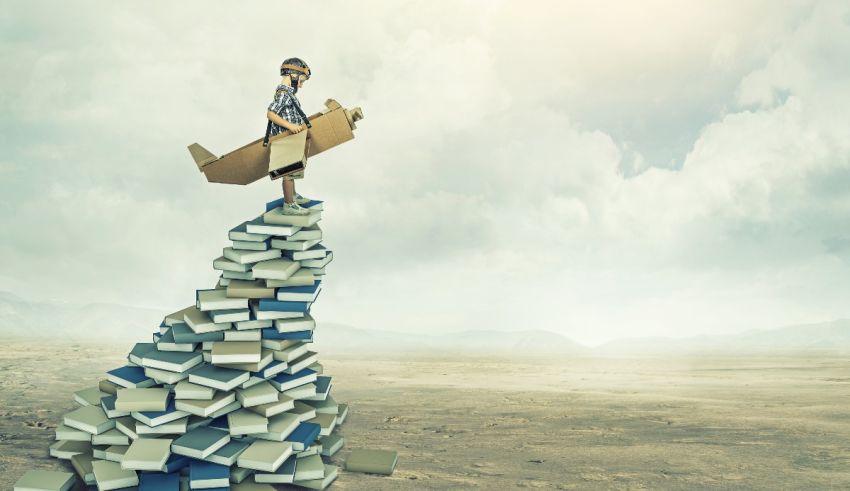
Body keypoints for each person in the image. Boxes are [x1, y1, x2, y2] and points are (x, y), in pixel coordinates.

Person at [266, 57, 313, 215]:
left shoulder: (288, 93)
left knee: (293, 169)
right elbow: (271, 114)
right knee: (288, 173)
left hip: (291, 140)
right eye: (301, 80)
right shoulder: (284, 93)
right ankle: (289, 204)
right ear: (293, 75)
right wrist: (291, 126)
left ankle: (292, 196)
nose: (301, 85)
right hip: (285, 140)